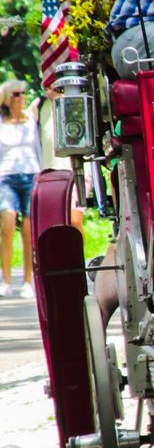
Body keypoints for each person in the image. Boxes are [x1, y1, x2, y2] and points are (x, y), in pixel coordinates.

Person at [0, 79, 41, 298]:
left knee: (28, 230)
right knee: (7, 225)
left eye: (23, 93)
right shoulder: (1, 122)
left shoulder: (30, 121)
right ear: (7, 98)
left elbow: (37, 151)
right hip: (6, 177)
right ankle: (5, 279)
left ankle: (28, 280)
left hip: (30, 175)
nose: (21, 97)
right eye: (16, 94)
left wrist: (41, 175)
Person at [33, 83, 85, 233]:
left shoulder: (73, 101)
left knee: (73, 220)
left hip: (75, 168)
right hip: (49, 172)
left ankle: (78, 255)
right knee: (55, 222)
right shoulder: (39, 105)